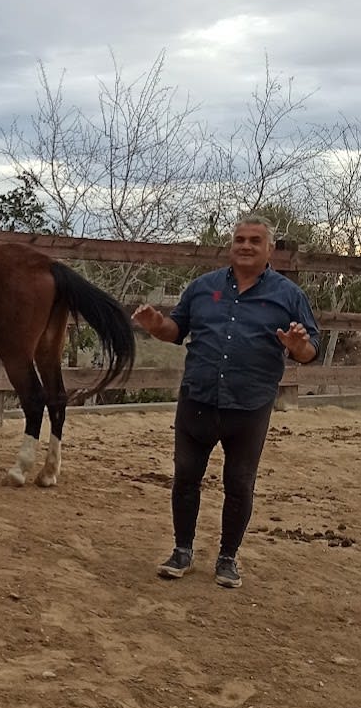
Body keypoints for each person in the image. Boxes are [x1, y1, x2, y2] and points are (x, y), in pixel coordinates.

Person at [132, 217, 319, 588]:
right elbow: (176, 330)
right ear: (231, 245)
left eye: (254, 240)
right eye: (239, 240)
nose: (245, 246)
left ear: (269, 249)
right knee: (186, 477)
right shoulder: (204, 287)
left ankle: (227, 558)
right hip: (197, 398)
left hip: (249, 405)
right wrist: (157, 326)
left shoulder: (288, 295)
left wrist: (299, 348)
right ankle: (181, 551)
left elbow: (310, 348)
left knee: (239, 483)